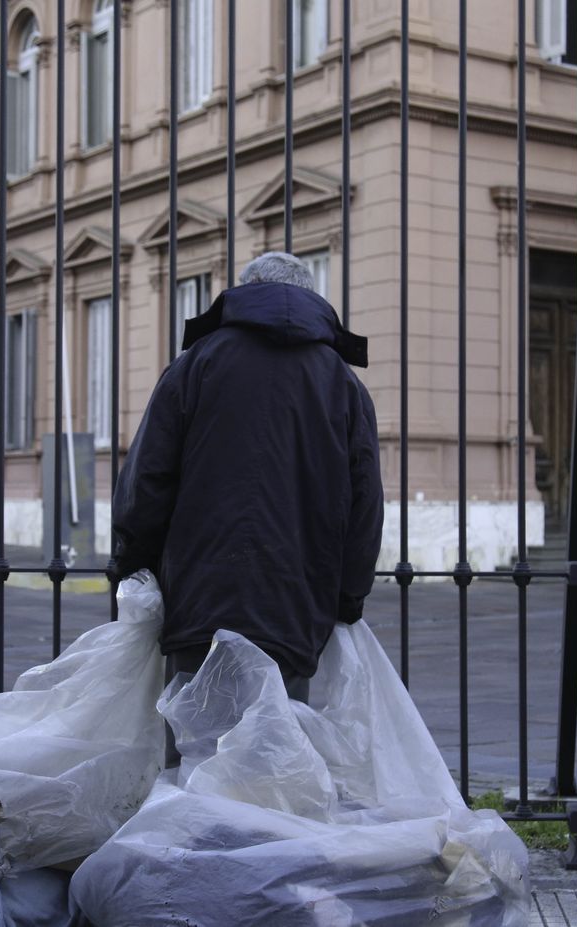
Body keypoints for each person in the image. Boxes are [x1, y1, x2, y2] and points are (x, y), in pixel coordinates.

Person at [110, 251, 383, 766]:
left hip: (199, 587)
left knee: (194, 751)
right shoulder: (342, 383)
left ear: (246, 290)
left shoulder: (196, 364)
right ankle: (264, 840)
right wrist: (347, 596)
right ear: (313, 298)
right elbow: (365, 501)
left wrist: (134, 563)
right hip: (297, 596)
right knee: (274, 755)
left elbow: (147, 478)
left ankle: (190, 839)